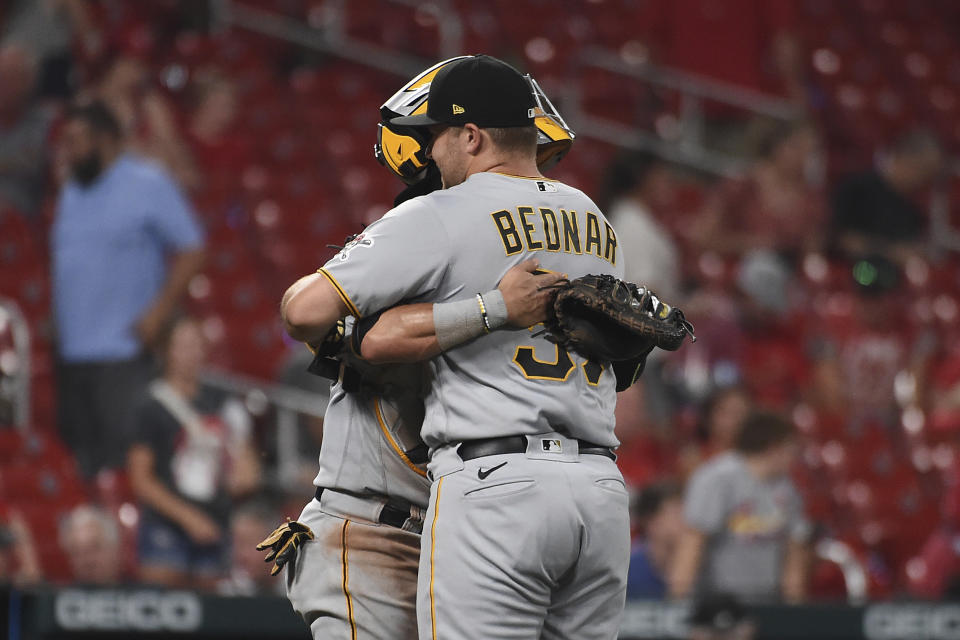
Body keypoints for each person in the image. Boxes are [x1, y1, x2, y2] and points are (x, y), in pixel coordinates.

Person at [281, 55, 636, 639]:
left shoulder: (441, 215)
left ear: (470, 136)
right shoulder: (594, 221)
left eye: (437, 136)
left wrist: (490, 309)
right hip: (593, 487)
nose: (432, 155)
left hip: (490, 486)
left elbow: (303, 309)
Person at [51, 101, 205, 478]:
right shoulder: (72, 191)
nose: (67, 151)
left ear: (103, 140)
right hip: (72, 356)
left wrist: (157, 313)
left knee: (123, 468)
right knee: (80, 469)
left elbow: (193, 248)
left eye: (75, 141)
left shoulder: (147, 182)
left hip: (123, 354)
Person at [127, 316, 259, 589]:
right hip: (166, 523)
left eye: (196, 345)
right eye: (182, 346)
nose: (190, 353)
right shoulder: (150, 405)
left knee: (212, 611)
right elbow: (141, 479)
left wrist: (244, 473)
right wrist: (188, 518)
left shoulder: (222, 401)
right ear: (166, 352)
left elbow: (245, 463)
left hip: (214, 519)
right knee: (161, 604)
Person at [669, 411, 810, 603]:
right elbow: (693, 541)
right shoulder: (717, 478)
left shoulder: (787, 487)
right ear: (774, 446)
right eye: (790, 447)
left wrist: (794, 607)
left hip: (768, 599)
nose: (794, 455)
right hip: (719, 600)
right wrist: (678, 601)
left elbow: (794, 549)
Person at [831, 128, 943, 264]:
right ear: (902, 157)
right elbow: (843, 240)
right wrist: (891, 252)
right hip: (858, 274)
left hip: (898, 279)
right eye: (923, 170)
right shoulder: (857, 187)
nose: (924, 180)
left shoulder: (913, 208)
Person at [602, 150, 682, 301]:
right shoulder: (633, 226)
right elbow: (644, 297)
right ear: (643, 179)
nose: (670, 184)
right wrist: (690, 309)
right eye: (663, 178)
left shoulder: (635, 218)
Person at [0, 44, 55, 218]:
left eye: (11, 77)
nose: (3, 84)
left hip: (27, 225)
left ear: (30, 81)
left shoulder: (48, 124)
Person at [627, 482, 684, 600]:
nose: (686, 519)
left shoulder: (704, 567)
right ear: (650, 521)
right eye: (676, 513)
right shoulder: (627, 571)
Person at [58, 504, 123, 585]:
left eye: (95, 548)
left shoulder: (139, 593)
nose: (88, 560)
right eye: (77, 552)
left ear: (114, 549)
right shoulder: (58, 595)